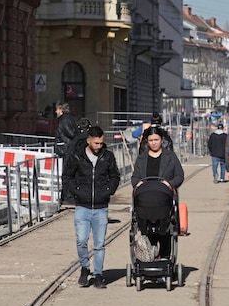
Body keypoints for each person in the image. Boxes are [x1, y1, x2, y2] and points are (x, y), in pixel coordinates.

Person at [63, 126, 120, 289]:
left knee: (99, 243)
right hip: (82, 205)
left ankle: (99, 275)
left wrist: (108, 191)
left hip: (101, 207)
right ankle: (85, 267)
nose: (99, 146)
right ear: (88, 140)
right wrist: (77, 192)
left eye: (101, 143)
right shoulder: (77, 156)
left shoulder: (107, 156)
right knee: (81, 240)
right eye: (96, 143)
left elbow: (115, 176)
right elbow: (68, 176)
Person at [131, 126, 184, 258]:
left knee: (165, 233)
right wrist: (138, 184)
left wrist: (169, 184)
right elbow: (135, 177)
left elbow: (179, 175)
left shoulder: (170, 157)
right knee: (148, 234)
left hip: (164, 201)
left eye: (156, 139)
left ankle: (165, 259)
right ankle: (148, 258)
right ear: (146, 142)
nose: (154, 142)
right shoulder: (142, 158)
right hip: (146, 201)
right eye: (151, 140)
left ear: (162, 140)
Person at [54, 102, 80, 206]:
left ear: (61, 110)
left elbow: (71, 133)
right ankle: (67, 196)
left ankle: (68, 197)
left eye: (57, 109)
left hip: (66, 150)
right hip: (68, 149)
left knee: (66, 174)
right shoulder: (69, 118)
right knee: (68, 174)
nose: (55, 112)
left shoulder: (64, 120)